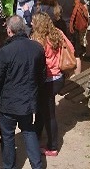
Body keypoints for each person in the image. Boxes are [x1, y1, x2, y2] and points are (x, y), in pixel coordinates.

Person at [0, 16, 45, 169]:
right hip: (27, 102)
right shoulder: (37, 48)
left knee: (7, 136)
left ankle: (9, 166)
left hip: (8, 104)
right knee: (29, 131)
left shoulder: (6, 51)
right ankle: (37, 165)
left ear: (9, 31)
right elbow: (41, 75)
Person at [30, 12, 75, 157]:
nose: (31, 24)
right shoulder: (58, 33)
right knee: (42, 107)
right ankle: (36, 134)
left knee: (49, 114)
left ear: (38, 24)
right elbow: (71, 49)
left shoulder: (37, 39)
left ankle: (52, 146)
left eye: (33, 21)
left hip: (46, 80)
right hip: (58, 78)